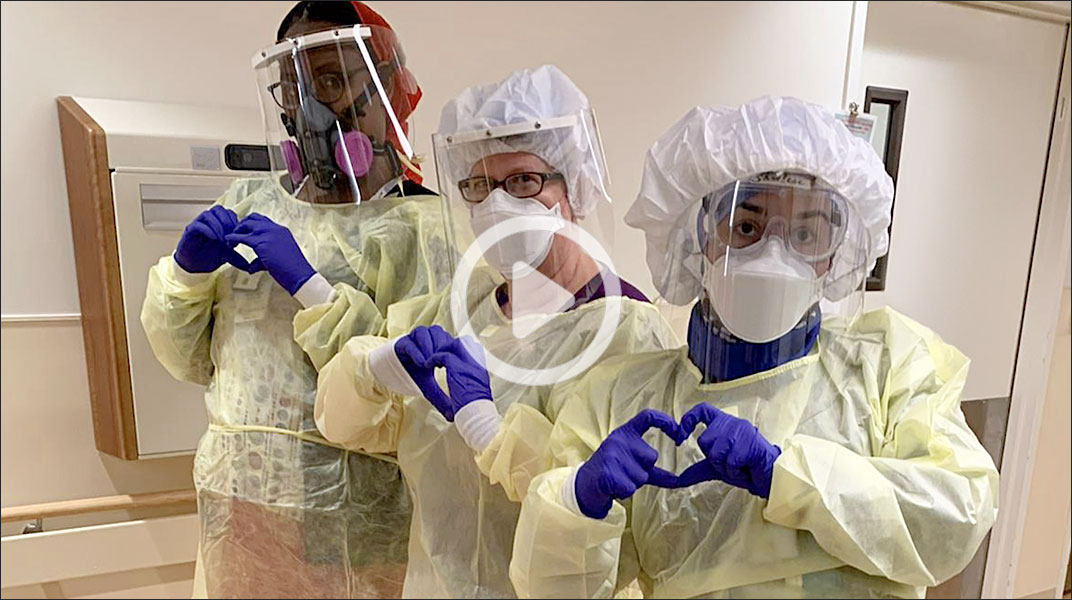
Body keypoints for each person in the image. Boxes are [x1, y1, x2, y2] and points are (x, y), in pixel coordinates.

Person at [467, 97, 998, 598]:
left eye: (807, 235)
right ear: (699, 240)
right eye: (746, 226)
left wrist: (785, 475)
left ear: (835, 259)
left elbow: (957, 518)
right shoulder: (619, 399)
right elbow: (555, 589)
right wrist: (576, 506)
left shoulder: (887, 365)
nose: (773, 254)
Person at [295, 65, 678, 597]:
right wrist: (374, 371)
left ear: (576, 185)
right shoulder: (458, 311)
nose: (495, 203)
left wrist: (487, 428)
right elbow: (347, 426)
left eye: (522, 180)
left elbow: (612, 513)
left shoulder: (627, 334)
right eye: (476, 185)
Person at [140, 2, 451, 597]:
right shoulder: (252, 199)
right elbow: (190, 361)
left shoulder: (419, 225)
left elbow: (412, 407)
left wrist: (312, 286)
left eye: (331, 81)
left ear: (385, 85)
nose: (309, 107)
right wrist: (184, 276)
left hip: (350, 516)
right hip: (235, 506)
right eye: (293, 86)